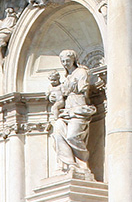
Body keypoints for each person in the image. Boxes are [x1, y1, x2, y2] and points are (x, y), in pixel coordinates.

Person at [47, 49, 96, 177]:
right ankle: (69, 165)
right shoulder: (66, 77)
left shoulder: (81, 72)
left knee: (72, 136)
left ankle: (82, 164)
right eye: (62, 61)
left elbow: (84, 91)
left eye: (67, 61)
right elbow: (60, 95)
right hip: (66, 109)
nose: (65, 63)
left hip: (79, 107)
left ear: (73, 60)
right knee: (58, 132)